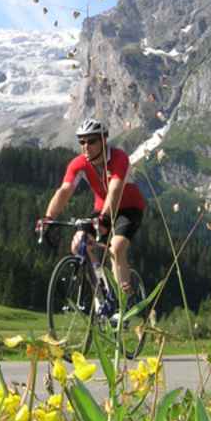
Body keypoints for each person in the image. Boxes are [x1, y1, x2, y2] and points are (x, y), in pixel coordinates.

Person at [38, 118, 146, 304]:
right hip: (101, 208)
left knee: (117, 247)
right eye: (82, 142)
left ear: (104, 140)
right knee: (78, 245)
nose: (86, 146)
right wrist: (48, 218)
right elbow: (64, 191)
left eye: (91, 141)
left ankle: (124, 303)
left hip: (129, 208)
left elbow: (115, 190)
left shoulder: (119, 158)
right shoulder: (79, 163)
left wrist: (104, 220)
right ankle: (101, 299)